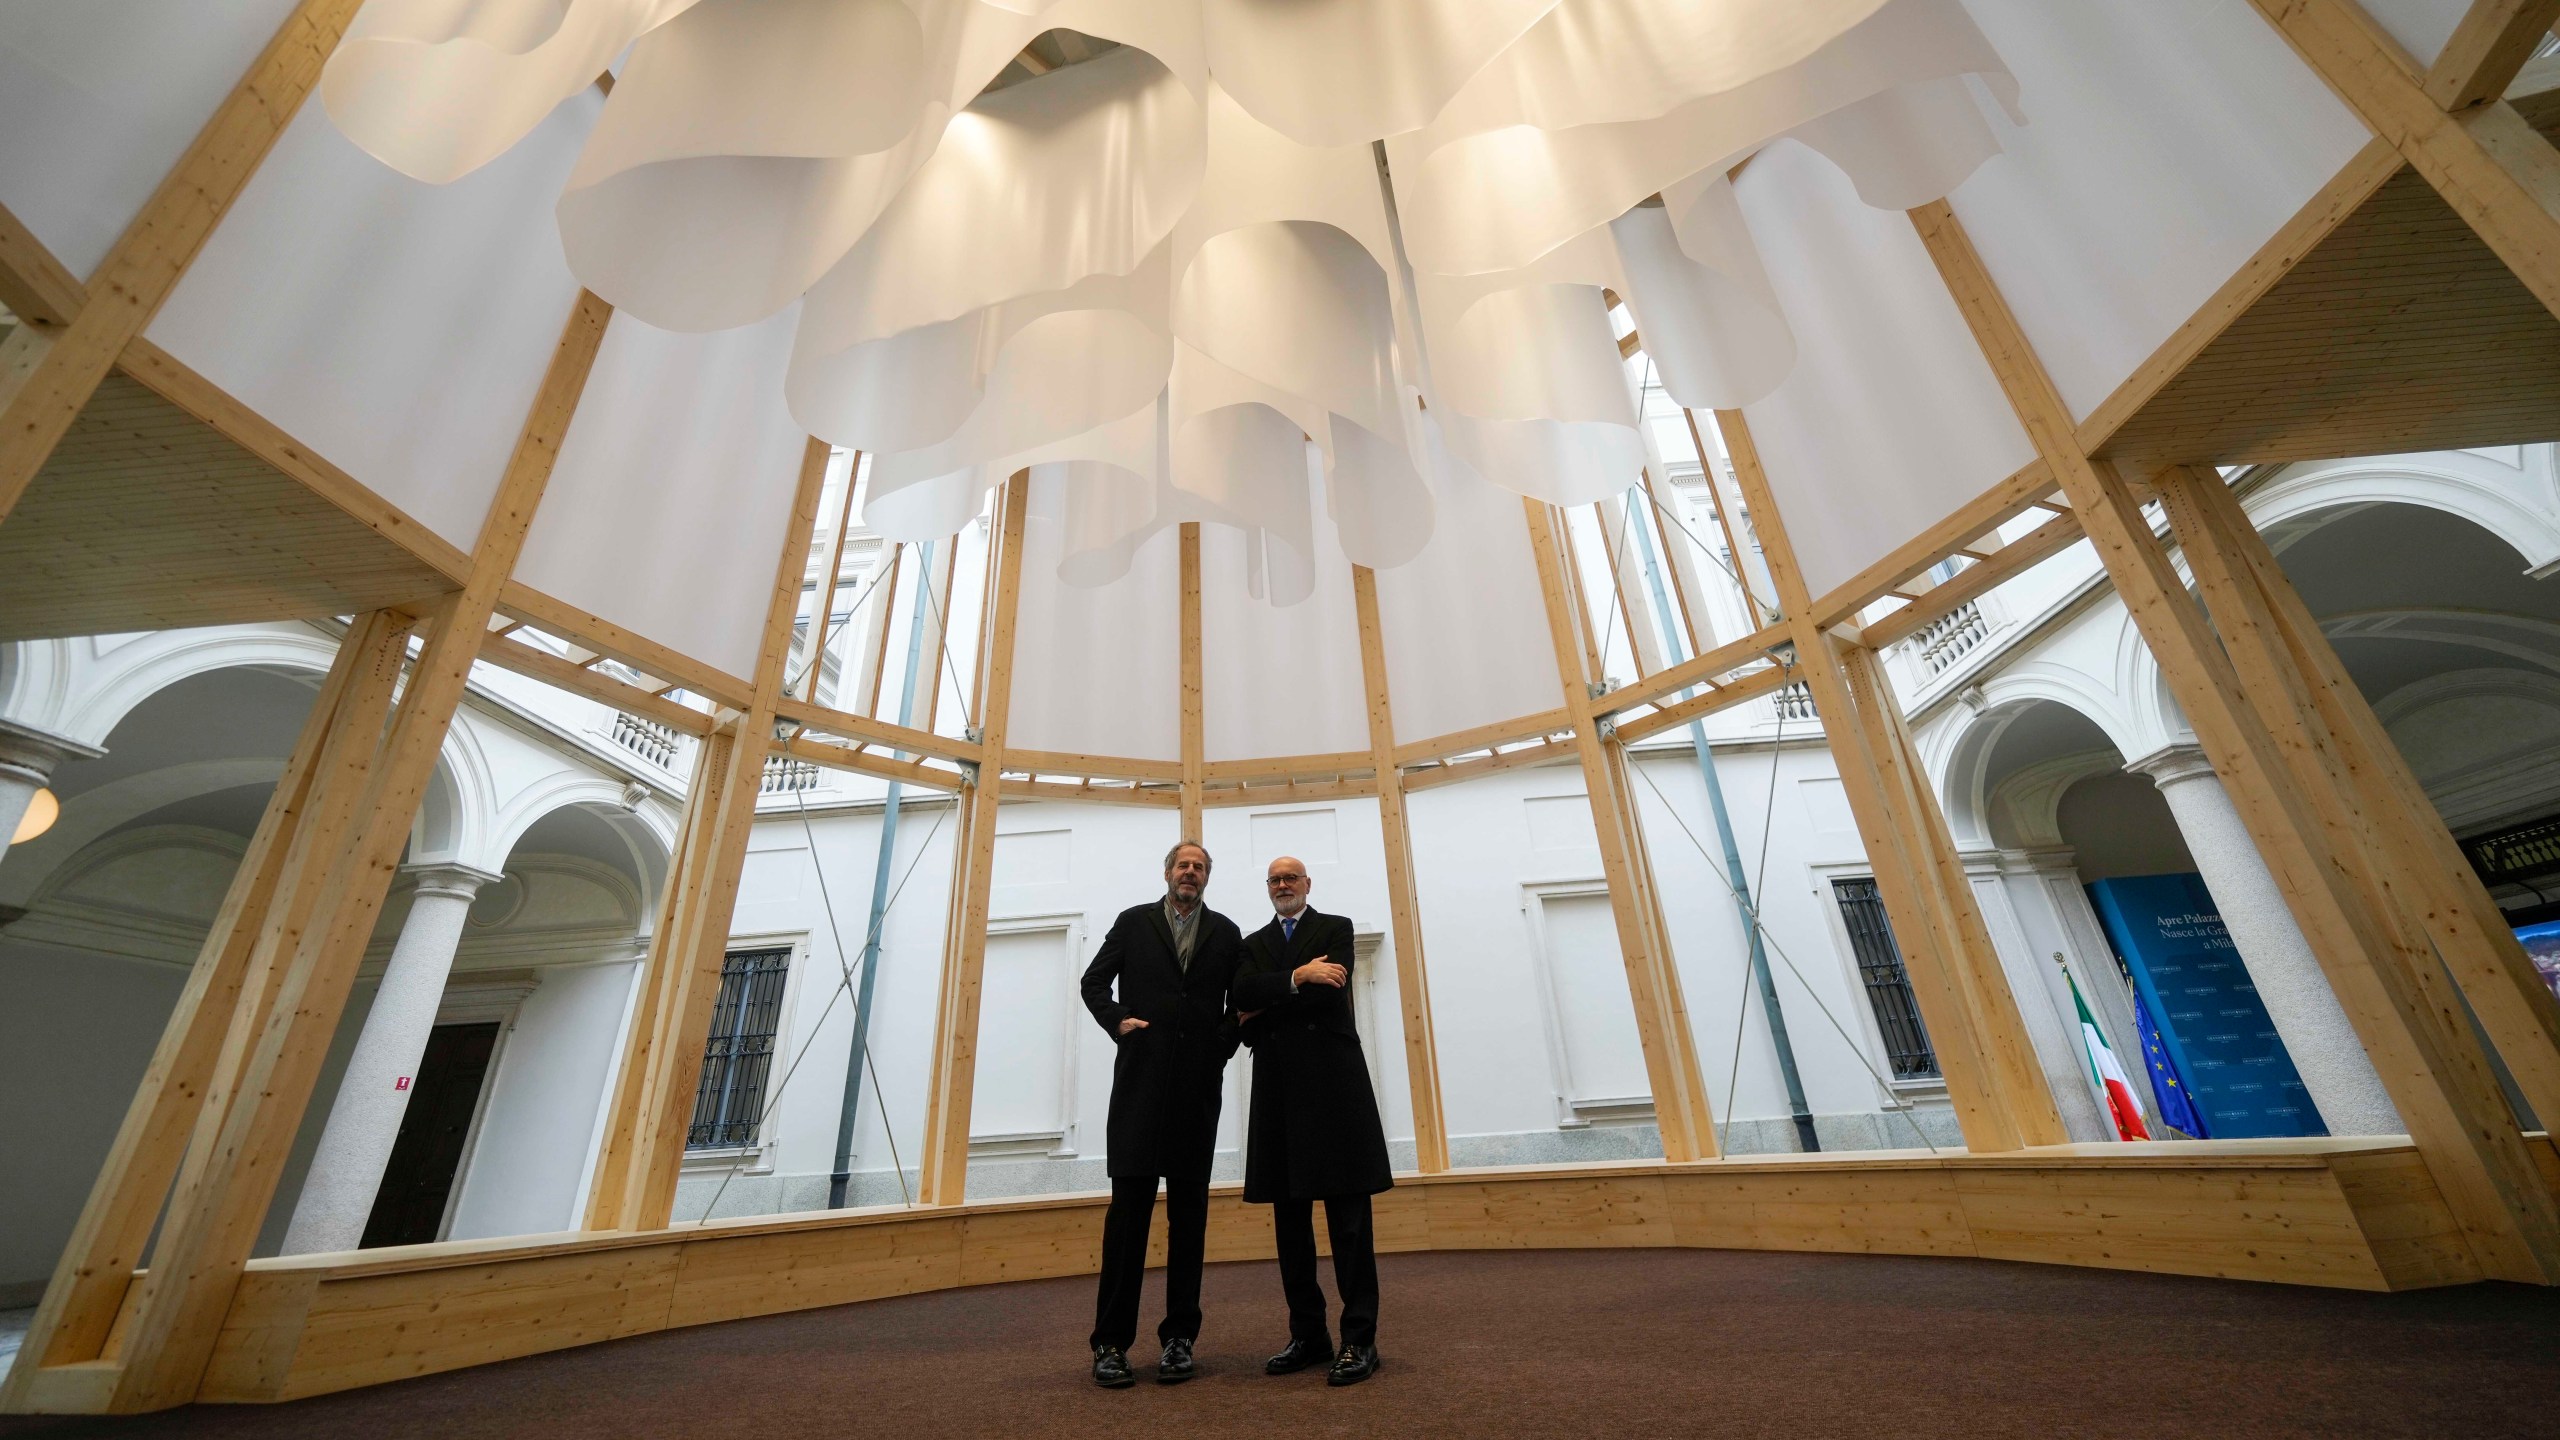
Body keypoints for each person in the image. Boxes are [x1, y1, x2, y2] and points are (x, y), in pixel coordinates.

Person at [1077, 839, 1244, 1389]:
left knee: (1189, 1223)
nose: (1189, 872)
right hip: (1139, 1094)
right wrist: (1118, 1020)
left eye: (1199, 867)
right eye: (1182, 865)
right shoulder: (1133, 922)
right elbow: (1093, 982)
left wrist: (1219, 1046)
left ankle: (1180, 1340)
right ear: (1167, 872)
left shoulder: (1226, 933)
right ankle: (1110, 1345)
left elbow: (1240, 1003)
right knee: (1127, 1222)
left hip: (1197, 1096)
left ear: (1206, 877)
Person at [1233, 854, 1393, 1387]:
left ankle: (1360, 1339)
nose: (1283, 885)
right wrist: (1300, 975)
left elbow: (1330, 995)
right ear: (1269, 887)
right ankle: (1309, 1335)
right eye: (1275, 879)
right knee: (1290, 1229)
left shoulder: (1336, 928)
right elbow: (1240, 998)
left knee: (1350, 1225)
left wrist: (1269, 998)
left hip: (1334, 1092)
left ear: (1307, 883)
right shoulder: (1252, 942)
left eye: (1291, 878)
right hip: (1279, 1096)